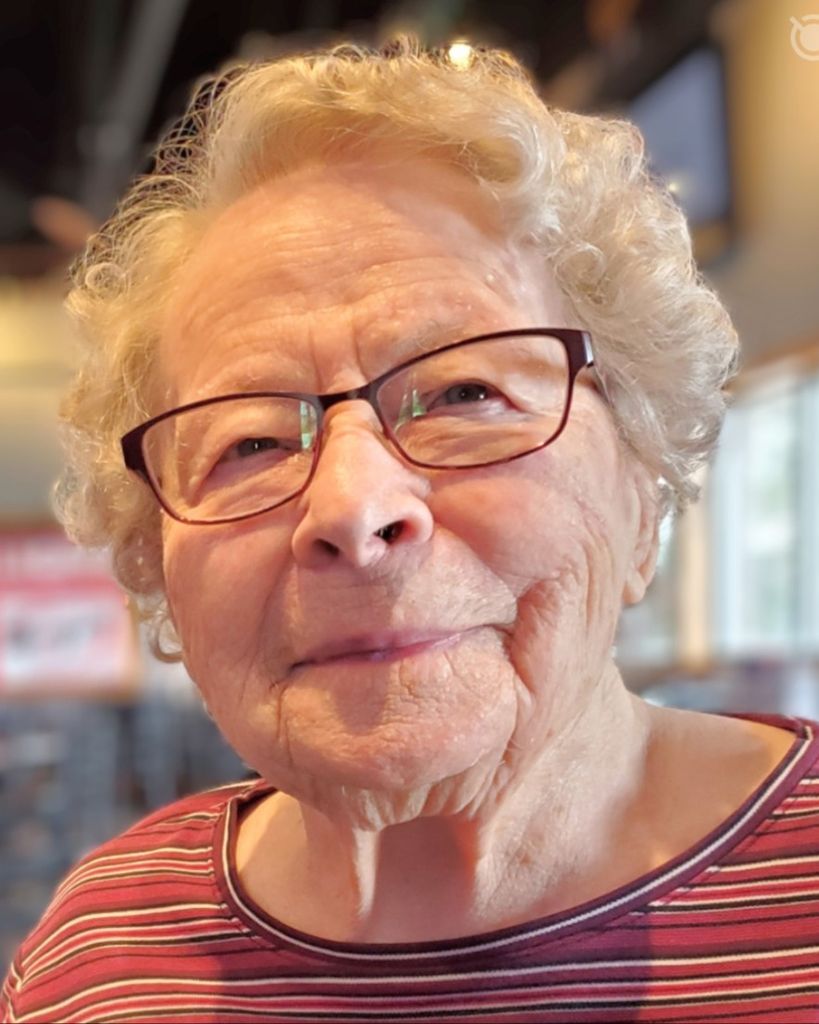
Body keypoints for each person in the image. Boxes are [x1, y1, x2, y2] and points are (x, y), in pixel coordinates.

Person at [3, 39, 818, 1024]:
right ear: (161, 569)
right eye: (250, 444)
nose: (351, 506)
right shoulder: (102, 954)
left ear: (639, 490)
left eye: (465, 393)